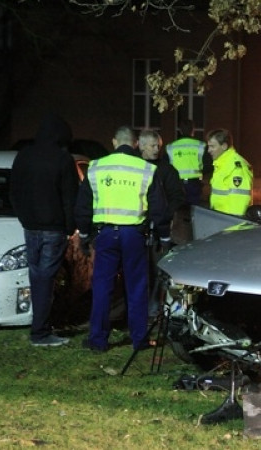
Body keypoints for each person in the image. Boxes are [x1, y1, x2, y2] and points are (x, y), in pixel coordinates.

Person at [75, 126, 172, 353]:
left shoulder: (96, 167)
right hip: (134, 236)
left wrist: (84, 235)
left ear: (114, 142)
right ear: (136, 143)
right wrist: (164, 236)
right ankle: (139, 339)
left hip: (105, 234)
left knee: (102, 287)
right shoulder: (146, 169)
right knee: (136, 287)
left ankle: (98, 340)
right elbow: (159, 208)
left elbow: (83, 206)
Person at [9, 112, 79, 347]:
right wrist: (70, 227)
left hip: (31, 227)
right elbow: (69, 198)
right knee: (46, 279)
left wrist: (24, 218)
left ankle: (39, 324)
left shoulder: (24, 155)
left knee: (37, 276)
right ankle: (40, 331)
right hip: (53, 228)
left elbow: (14, 191)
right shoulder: (63, 159)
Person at [138, 128, 184, 319]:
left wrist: (165, 216)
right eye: (152, 146)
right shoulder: (134, 167)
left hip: (158, 229)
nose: (157, 149)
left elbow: (177, 197)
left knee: (157, 271)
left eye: (158, 146)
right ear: (141, 146)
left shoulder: (167, 170)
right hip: (136, 226)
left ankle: (154, 308)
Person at [166, 119, 209, 243]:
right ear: (193, 130)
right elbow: (208, 165)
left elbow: (166, 166)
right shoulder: (201, 145)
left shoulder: (171, 147)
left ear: (180, 130)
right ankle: (193, 239)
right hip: (194, 185)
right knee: (194, 213)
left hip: (177, 185)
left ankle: (176, 239)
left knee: (177, 213)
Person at [206, 128, 253, 216]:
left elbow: (238, 205)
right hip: (220, 219)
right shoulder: (221, 164)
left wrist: (230, 223)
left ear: (224, 146)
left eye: (212, 146)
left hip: (228, 222)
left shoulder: (236, 167)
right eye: (209, 146)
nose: (209, 150)